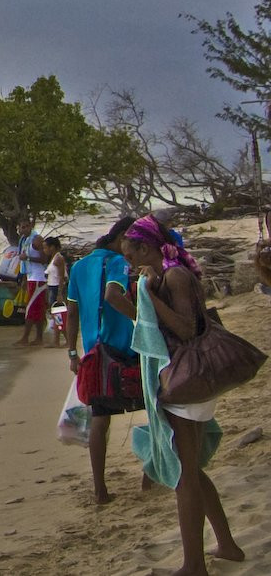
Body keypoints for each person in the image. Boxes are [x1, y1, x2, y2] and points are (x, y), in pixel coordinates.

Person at [124, 215, 244, 573]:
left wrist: (147, 294)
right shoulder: (169, 274)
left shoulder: (174, 276)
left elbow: (188, 329)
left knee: (184, 476)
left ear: (146, 248)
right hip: (185, 380)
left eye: (131, 256)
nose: (130, 264)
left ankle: (194, 565)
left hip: (186, 381)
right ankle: (228, 546)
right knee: (190, 468)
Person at [64, 215, 137, 505]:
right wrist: (142, 320)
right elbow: (113, 296)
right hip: (127, 349)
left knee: (100, 419)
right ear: (122, 239)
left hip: (95, 353)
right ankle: (150, 476)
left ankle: (100, 489)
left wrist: (72, 352)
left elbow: (71, 313)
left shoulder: (79, 266)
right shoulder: (119, 263)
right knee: (153, 410)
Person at [15, 223, 50, 346]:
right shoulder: (24, 240)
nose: (21, 229)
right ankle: (38, 338)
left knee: (30, 308)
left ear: (30, 226)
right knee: (37, 309)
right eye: (20, 227)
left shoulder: (37, 239)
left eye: (24, 227)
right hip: (31, 277)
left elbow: (44, 259)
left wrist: (28, 258)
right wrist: (25, 279)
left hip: (38, 278)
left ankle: (25, 337)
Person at [44, 236, 68, 348]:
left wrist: (59, 293)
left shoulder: (58, 259)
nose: (44, 250)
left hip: (56, 289)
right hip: (52, 288)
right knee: (56, 316)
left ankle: (63, 340)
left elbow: (61, 277)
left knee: (58, 316)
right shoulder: (54, 258)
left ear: (52, 247)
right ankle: (57, 340)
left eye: (46, 248)